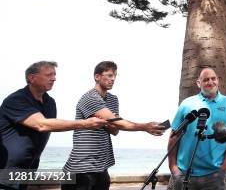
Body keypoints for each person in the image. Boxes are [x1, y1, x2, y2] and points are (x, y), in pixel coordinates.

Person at [62, 61, 164, 190]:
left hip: (102, 166)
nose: (113, 79)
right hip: (81, 167)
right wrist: (145, 127)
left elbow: (115, 130)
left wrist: (108, 121)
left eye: (115, 75)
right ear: (97, 77)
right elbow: (118, 123)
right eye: (109, 75)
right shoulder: (90, 98)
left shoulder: (113, 99)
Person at [0, 62, 107, 176]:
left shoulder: (50, 102)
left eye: (54, 75)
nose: (54, 79)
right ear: (32, 78)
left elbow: (51, 126)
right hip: (6, 168)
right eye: (49, 75)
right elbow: (42, 125)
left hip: (30, 168)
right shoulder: (16, 99)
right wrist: (85, 124)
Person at [167, 67, 226, 190]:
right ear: (198, 83)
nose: (210, 82)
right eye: (206, 79)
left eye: (213, 79)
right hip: (184, 174)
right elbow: (174, 135)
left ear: (218, 80)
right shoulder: (187, 104)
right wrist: (173, 168)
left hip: (214, 175)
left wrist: (223, 168)